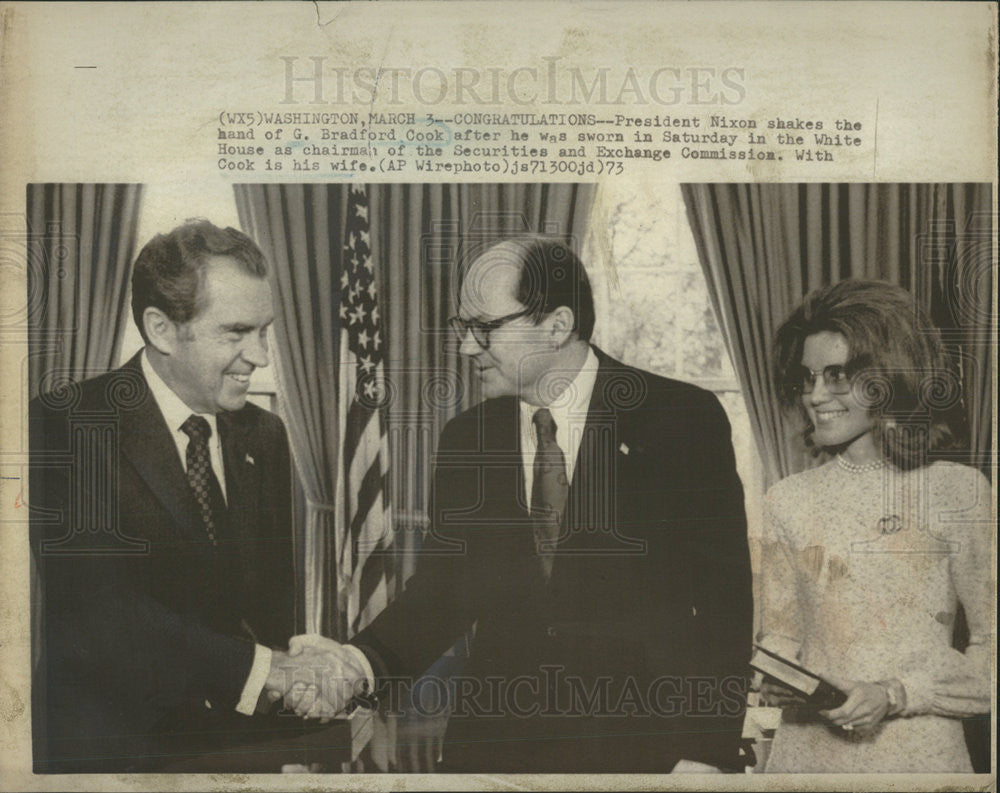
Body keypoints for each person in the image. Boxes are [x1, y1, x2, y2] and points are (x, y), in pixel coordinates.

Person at [292, 237, 753, 772]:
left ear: (557, 325)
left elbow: (724, 605)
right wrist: (356, 662)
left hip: (641, 754)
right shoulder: (469, 437)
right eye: (461, 327)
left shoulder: (681, 419)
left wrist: (705, 752)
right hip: (493, 752)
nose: (466, 347)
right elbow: (442, 595)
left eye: (484, 328)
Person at [29, 220, 364, 772]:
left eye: (264, 331)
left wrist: (291, 701)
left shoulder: (265, 434)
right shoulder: (63, 427)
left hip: (241, 748)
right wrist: (269, 671)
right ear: (162, 329)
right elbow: (103, 615)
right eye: (235, 333)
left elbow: (270, 611)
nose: (260, 356)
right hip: (112, 754)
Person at [758, 279, 992, 773]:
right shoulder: (786, 500)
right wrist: (773, 677)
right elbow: (780, 640)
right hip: (804, 762)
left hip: (918, 761)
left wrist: (897, 694)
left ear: (890, 379)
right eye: (807, 378)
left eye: (837, 376)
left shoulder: (958, 491)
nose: (816, 396)